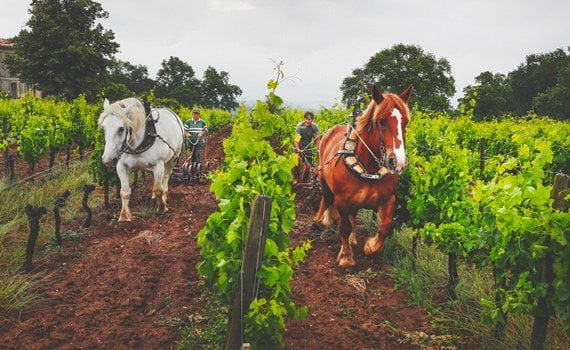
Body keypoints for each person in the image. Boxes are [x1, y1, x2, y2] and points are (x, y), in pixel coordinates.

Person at [294, 111, 321, 183]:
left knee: (308, 167)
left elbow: (317, 139)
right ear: (304, 119)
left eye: (309, 119)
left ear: (312, 120)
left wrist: (319, 150)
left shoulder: (314, 127)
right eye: (306, 119)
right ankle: (296, 178)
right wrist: (298, 149)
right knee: (297, 159)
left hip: (308, 147)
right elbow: (296, 140)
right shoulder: (300, 126)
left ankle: (304, 180)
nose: (307, 121)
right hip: (300, 146)